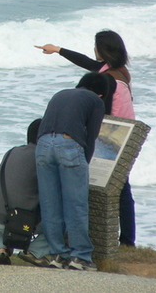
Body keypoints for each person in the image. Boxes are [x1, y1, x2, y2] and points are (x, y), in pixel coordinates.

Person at [35, 29, 136, 247]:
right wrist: (58, 50)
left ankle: (123, 239)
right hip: (125, 133)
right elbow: (87, 62)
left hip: (113, 136)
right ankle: (127, 238)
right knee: (122, 186)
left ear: (103, 50)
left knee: (118, 188)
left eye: (96, 46)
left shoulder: (109, 79)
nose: (93, 50)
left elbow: (101, 113)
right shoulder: (118, 71)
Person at [35, 72, 108, 271]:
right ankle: (80, 256)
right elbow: (91, 136)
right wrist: (84, 163)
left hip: (42, 145)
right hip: (68, 144)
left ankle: (57, 254)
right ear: (101, 93)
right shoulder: (96, 100)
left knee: (50, 203)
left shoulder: (61, 93)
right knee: (75, 203)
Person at [0, 119, 51, 267]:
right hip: (19, 222)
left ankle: (2, 248)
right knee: (62, 219)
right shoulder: (43, 158)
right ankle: (34, 252)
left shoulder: (12, 151)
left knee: (11, 213)